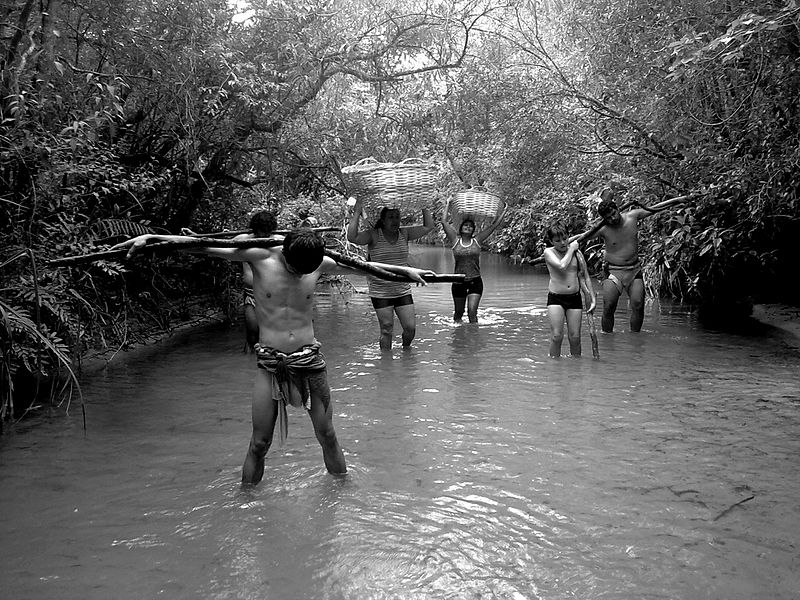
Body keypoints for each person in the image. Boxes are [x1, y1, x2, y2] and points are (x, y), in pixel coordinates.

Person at [111, 228, 435, 484]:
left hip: (309, 361)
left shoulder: (317, 261)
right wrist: (152, 239)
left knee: (328, 434)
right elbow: (202, 246)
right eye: (295, 268)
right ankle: (247, 501)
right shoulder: (260, 256)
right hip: (270, 362)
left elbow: (366, 268)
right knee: (259, 443)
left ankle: (339, 491)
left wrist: (408, 271)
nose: (299, 274)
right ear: (285, 254)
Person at [346, 197, 435, 350]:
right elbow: (352, 237)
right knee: (386, 330)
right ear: (383, 220)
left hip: (402, 289)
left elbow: (428, 226)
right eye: (391, 217)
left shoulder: (404, 233)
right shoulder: (373, 235)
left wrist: (424, 204)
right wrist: (357, 211)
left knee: (410, 329)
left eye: (397, 217)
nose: (395, 220)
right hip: (380, 291)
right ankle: (386, 365)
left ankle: (406, 352)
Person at [594, 190, 685, 333]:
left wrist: (679, 199)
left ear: (617, 209)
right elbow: (582, 237)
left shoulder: (633, 216)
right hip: (613, 271)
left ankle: (635, 337)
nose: (612, 219)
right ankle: (606, 337)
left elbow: (654, 208)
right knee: (608, 306)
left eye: (613, 214)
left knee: (638, 305)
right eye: (608, 218)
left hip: (633, 270)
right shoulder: (603, 229)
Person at [440, 199, 507, 323]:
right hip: (458, 281)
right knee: (459, 313)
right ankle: (459, 338)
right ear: (461, 228)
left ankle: (474, 338)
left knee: (472, 312)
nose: (468, 227)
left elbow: (493, 226)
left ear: (473, 230)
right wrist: (448, 204)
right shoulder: (455, 240)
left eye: (470, 226)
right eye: (466, 225)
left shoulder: (477, 240)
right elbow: (444, 222)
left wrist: (504, 210)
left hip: (475, 281)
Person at [543, 222, 596, 357]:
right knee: (556, 336)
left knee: (575, 337)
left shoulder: (577, 254)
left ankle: (575, 369)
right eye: (557, 240)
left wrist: (592, 298)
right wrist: (571, 249)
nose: (562, 242)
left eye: (565, 238)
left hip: (574, 298)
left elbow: (586, 276)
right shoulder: (548, 252)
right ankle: (554, 366)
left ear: (568, 236)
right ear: (551, 241)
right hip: (556, 298)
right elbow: (561, 266)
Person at [234, 210, 279, 351]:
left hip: (274, 296)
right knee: (252, 334)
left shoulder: (278, 240)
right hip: (251, 295)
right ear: (254, 229)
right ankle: (248, 364)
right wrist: (193, 237)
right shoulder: (243, 240)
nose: (262, 235)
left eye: (266, 231)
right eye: (260, 231)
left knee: (275, 334)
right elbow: (214, 246)